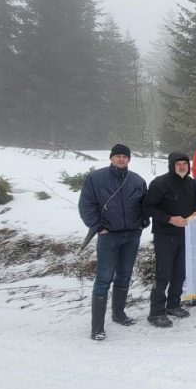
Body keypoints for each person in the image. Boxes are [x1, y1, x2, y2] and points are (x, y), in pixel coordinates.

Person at [78, 144, 148, 341]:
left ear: (129, 159)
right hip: (108, 236)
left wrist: (143, 221)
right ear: (111, 158)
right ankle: (97, 327)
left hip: (132, 235)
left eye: (124, 156)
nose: (121, 159)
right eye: (117, 156)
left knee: (124, 276)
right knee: (104, 278)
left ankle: (119, 314)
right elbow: (86, 205)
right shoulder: (96, 178)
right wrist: (97, 226)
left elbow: (145, 204)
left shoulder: (137, 180)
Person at [142, 151, 196, 328]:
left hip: (185, 234)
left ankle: (173, 305)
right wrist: (169, 219)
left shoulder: (191, 183)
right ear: (172, 165)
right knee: (163, 273)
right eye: (178, 164)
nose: (182, 167)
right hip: (165, 235)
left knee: (179, 273)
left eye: (185, 164)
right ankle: (156, 312)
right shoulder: (160, 183)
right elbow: (148, 207)